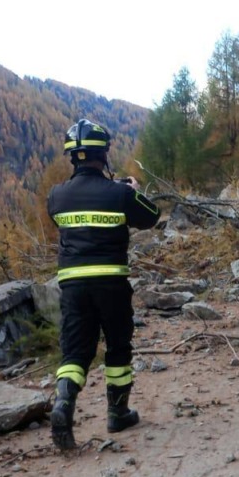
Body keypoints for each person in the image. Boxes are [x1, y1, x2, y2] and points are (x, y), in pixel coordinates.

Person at [46, 119, 161, 450]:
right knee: (118, 345)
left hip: (72, 287)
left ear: (73, 157)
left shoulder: (56, 196)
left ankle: (64, 404)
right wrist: (132, 190)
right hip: (111, 283)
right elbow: (151, 216)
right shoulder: (120, 194)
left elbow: (60, 218)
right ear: (103, 155)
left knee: (75, 351)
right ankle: (117, 412)